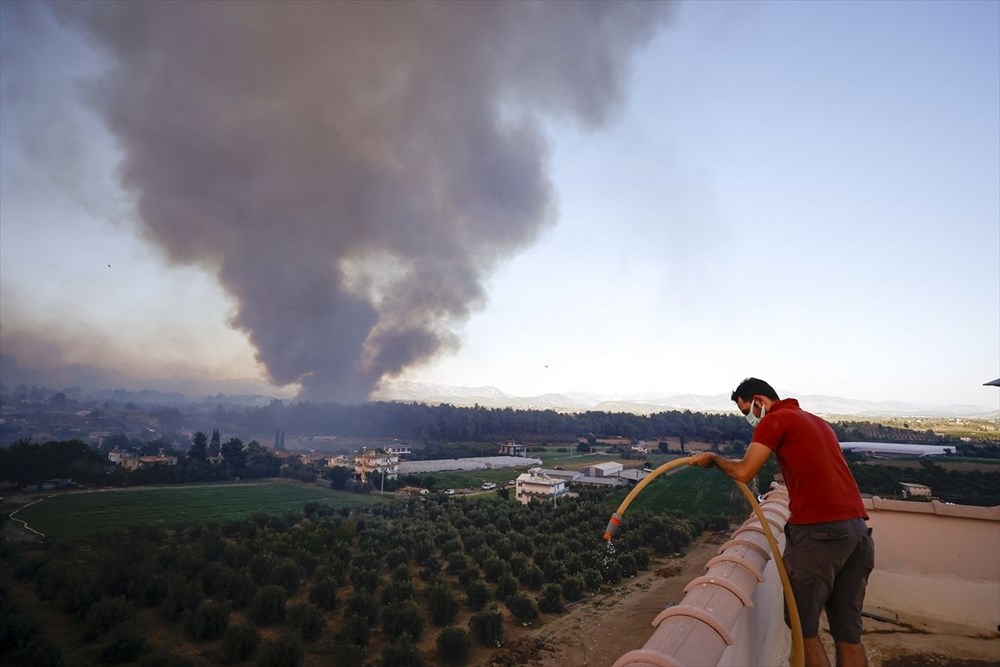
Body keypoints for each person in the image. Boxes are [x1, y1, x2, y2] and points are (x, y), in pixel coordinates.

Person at [689, 377, 874, 667]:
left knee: (803, 631)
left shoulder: (775, 420)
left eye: (747, 411)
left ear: (760, 402)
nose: (750, 419)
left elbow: (743, 472)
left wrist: (713, 459)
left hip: (819, 535)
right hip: (857, 533)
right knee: (848, 634)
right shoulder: (816, 422)